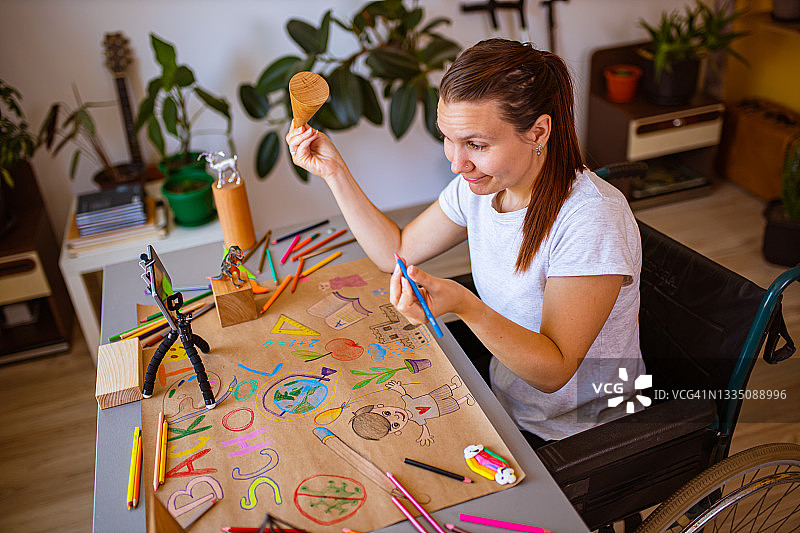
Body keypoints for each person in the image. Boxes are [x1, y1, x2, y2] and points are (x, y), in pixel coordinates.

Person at [286, 38, 644, 447]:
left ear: (538, 132)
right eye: (449, 139)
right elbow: (395, 251)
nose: (456, 164)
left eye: (476, 144)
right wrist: (334, 172)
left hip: (580, 433)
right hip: (503, 402)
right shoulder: (482, 188)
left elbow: (554, 372)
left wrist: (463, 303)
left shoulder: (591, 218)